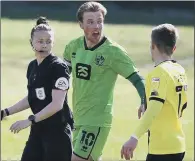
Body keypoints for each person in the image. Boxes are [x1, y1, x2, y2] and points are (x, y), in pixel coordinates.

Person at [63, 2, 145, 161]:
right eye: (90, 22)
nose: (96, 26)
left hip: (97, 121)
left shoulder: (113, 52)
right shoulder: (72, 47)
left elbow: (137, 78)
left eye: (99, 21)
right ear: (81, 24)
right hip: (78, 119)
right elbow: (62, 80)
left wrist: (144, 99)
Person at [1, 17, 74, 161]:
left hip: (57, 132)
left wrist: (29, 120)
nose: (44, 45)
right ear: (31, 43)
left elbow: (57, 104)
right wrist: (5, 112)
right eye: (40, 41)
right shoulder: (32, 67)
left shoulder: (58, 67)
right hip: (38, 129)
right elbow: (32, 97)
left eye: (48, 41)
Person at [121, 23, 187, 161]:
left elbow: (154, 109)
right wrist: (148, 103)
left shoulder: (158, 73)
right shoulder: (179, 70)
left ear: (152, 46)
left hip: (162, 148)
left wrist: (134, 137)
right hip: (178, 144)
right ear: (174, 48)